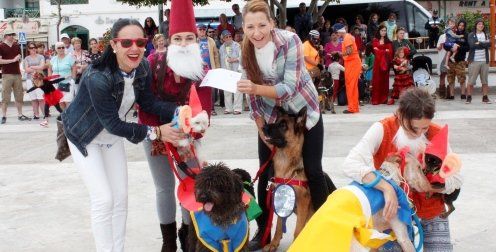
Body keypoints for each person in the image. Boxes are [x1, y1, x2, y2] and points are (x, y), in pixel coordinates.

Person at [62, 18, 181, 252]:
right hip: (84, 137)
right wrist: (157, 132)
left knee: (120, 199)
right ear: (114, 45)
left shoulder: (143, 68)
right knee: (104, 199)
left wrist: (180, 110)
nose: (134, 48)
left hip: (110, 138)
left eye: (140, 42)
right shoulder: (98, 76)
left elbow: (148, 103)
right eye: (126, 42)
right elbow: (113, 123)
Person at [236, 1, 332, 249]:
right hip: (272, 118)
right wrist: (260, 129)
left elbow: (288, 89)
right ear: (243, 27)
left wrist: (255, 87)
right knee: (267, 175)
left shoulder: (290, 42)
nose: (256, 32)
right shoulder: (246, 50)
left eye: (261, 25)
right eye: (250, 27)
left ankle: (322, 229)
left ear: (271, 23)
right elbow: (253, 100)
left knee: (312, 170)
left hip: (304, 113)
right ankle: (264, 232)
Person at [342, 88, 462, 251]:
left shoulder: (436, 132)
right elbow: (350, 164)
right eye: (413, 128)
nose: (419, 133)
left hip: (430, 208)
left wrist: (430, 186)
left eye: (424, 128)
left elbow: (456, 178)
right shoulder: (383, 129)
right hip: (392, 211)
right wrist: (386, 188)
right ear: (400, 114)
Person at [139, 1, 209, 249]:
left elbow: (205, 109)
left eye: (189, 38)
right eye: (177, 38)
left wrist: (197, 127)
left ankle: (188, 234)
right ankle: (168, 241)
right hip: (156, 133)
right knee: (164, 187)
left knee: (190, 185)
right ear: (169, 40)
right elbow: (143, 103)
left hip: (188, 137)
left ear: (196, 38)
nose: (183, 44)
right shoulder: (153, 62)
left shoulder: (202, 69)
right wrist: (161, 132)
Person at [0, 30, 29, 124]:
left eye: (13, 35)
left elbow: (19, 59)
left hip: (17, 73)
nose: (12, 36)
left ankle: (20, 114)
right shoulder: (1, 46)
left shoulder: (16, 46)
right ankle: (3, 116)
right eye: (10, 35)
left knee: (19, 95)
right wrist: (12, 60)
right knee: (5, 96)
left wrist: (17, 60)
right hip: (7, 74)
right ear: (5, 36)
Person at [335, 23, 362, 114]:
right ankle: (354, 107)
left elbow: (349, 51)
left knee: (351, 85)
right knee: (352, 86)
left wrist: (339, 54)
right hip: (352, 63)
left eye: (336, 32)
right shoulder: (348, 37)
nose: (336, 34)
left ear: (339, 31)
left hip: (352, 63)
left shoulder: (347, 37)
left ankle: (352, 108)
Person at [466, 19, 491, 104]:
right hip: (474, 61)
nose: (481, 25)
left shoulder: (486, 35)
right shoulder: (471, 35)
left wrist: (479, 43)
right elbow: (472, 45)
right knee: (471, 81)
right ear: (476, 25)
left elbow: (489, 44)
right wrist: (484, 44)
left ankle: (485, 97)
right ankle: (469, 97)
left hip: (485, 61)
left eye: (482, 24)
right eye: (479, 24)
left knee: (485, 81)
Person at [198, 23, 220, 116]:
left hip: (210, 68)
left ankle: (211, 108)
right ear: (197, 30)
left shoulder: (211, 41)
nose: (202, 31)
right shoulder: (194, 41)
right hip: (198, 69)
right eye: (200, 29)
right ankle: (199, 107)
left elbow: (216, 55)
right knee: (199, 88)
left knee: (211, 90)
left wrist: (217, 68)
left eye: (204, 29)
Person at [219, 30, 243, 115]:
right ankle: (228, 108)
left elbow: (242, 57)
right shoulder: (221, 48)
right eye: (226, 37)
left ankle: (237, 108)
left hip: (236, 70)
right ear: (223, 39)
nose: (229, 38)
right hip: (226, 71)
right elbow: (221, 60)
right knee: (227, 90)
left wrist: (234, 59)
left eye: (230, 36)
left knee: (238, 90)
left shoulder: (237, 45)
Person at [48, 41, 76, 110]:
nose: (61, 49)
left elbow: (74, 68)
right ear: (56, 49)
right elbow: (49, 69)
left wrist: (73, 79)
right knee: (61, 102)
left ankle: (69, 118)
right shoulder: (53, 59)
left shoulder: (70, 57)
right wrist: (50, 80)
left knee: (68, 101)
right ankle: (64, 117)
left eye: (62, 47)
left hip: (68, 83)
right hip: (56, 84)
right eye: (59, 48)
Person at [446, 20, 469, 100]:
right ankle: (452, 95)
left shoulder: (466, 35)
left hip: (461, 60)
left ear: (464, 27)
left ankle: (463, 94)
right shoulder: (452, 32)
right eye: (460, 25)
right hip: (451, 61)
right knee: (450, 78)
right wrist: (451, 48)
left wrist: (459, 47)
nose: (461, 27)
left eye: (463, 26)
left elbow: (468, 48)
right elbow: (445, 46)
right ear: (457, 25)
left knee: (462, 78)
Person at [371, 25, 393, 105]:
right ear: (379, 31)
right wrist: (385, 50)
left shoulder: (388, 41)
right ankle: (376, 100)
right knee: (377, 81)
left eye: (385, 31)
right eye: (382, 30)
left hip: (385, 64)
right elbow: (375, 52)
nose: (383, 32)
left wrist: (380, 49)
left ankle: (384, 99)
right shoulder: (375, 40)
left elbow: (390, 53)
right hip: (377, 63)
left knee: (385, 81)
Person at [24, 42, 46, 120]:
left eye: (34, 47)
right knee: (33, 98)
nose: (33, 49)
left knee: (41, 98)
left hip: (39, 79)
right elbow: (26, 70)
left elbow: (42, 67)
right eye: (31, 48)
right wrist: (37, 67)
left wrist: (32, 67)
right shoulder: (26, 58)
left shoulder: (41, 57)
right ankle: (36, 115)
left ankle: (44, 114)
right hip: (30, 80)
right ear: (28, 49)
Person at [437, 32, 449, 98]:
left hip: (451, 58)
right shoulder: (442, 36)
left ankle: (450, 93)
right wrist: (441, 44)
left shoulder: (455, 35)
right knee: (442, 75)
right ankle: (442, 93)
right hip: (443, 58)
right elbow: (438, 48)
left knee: (451, 76)